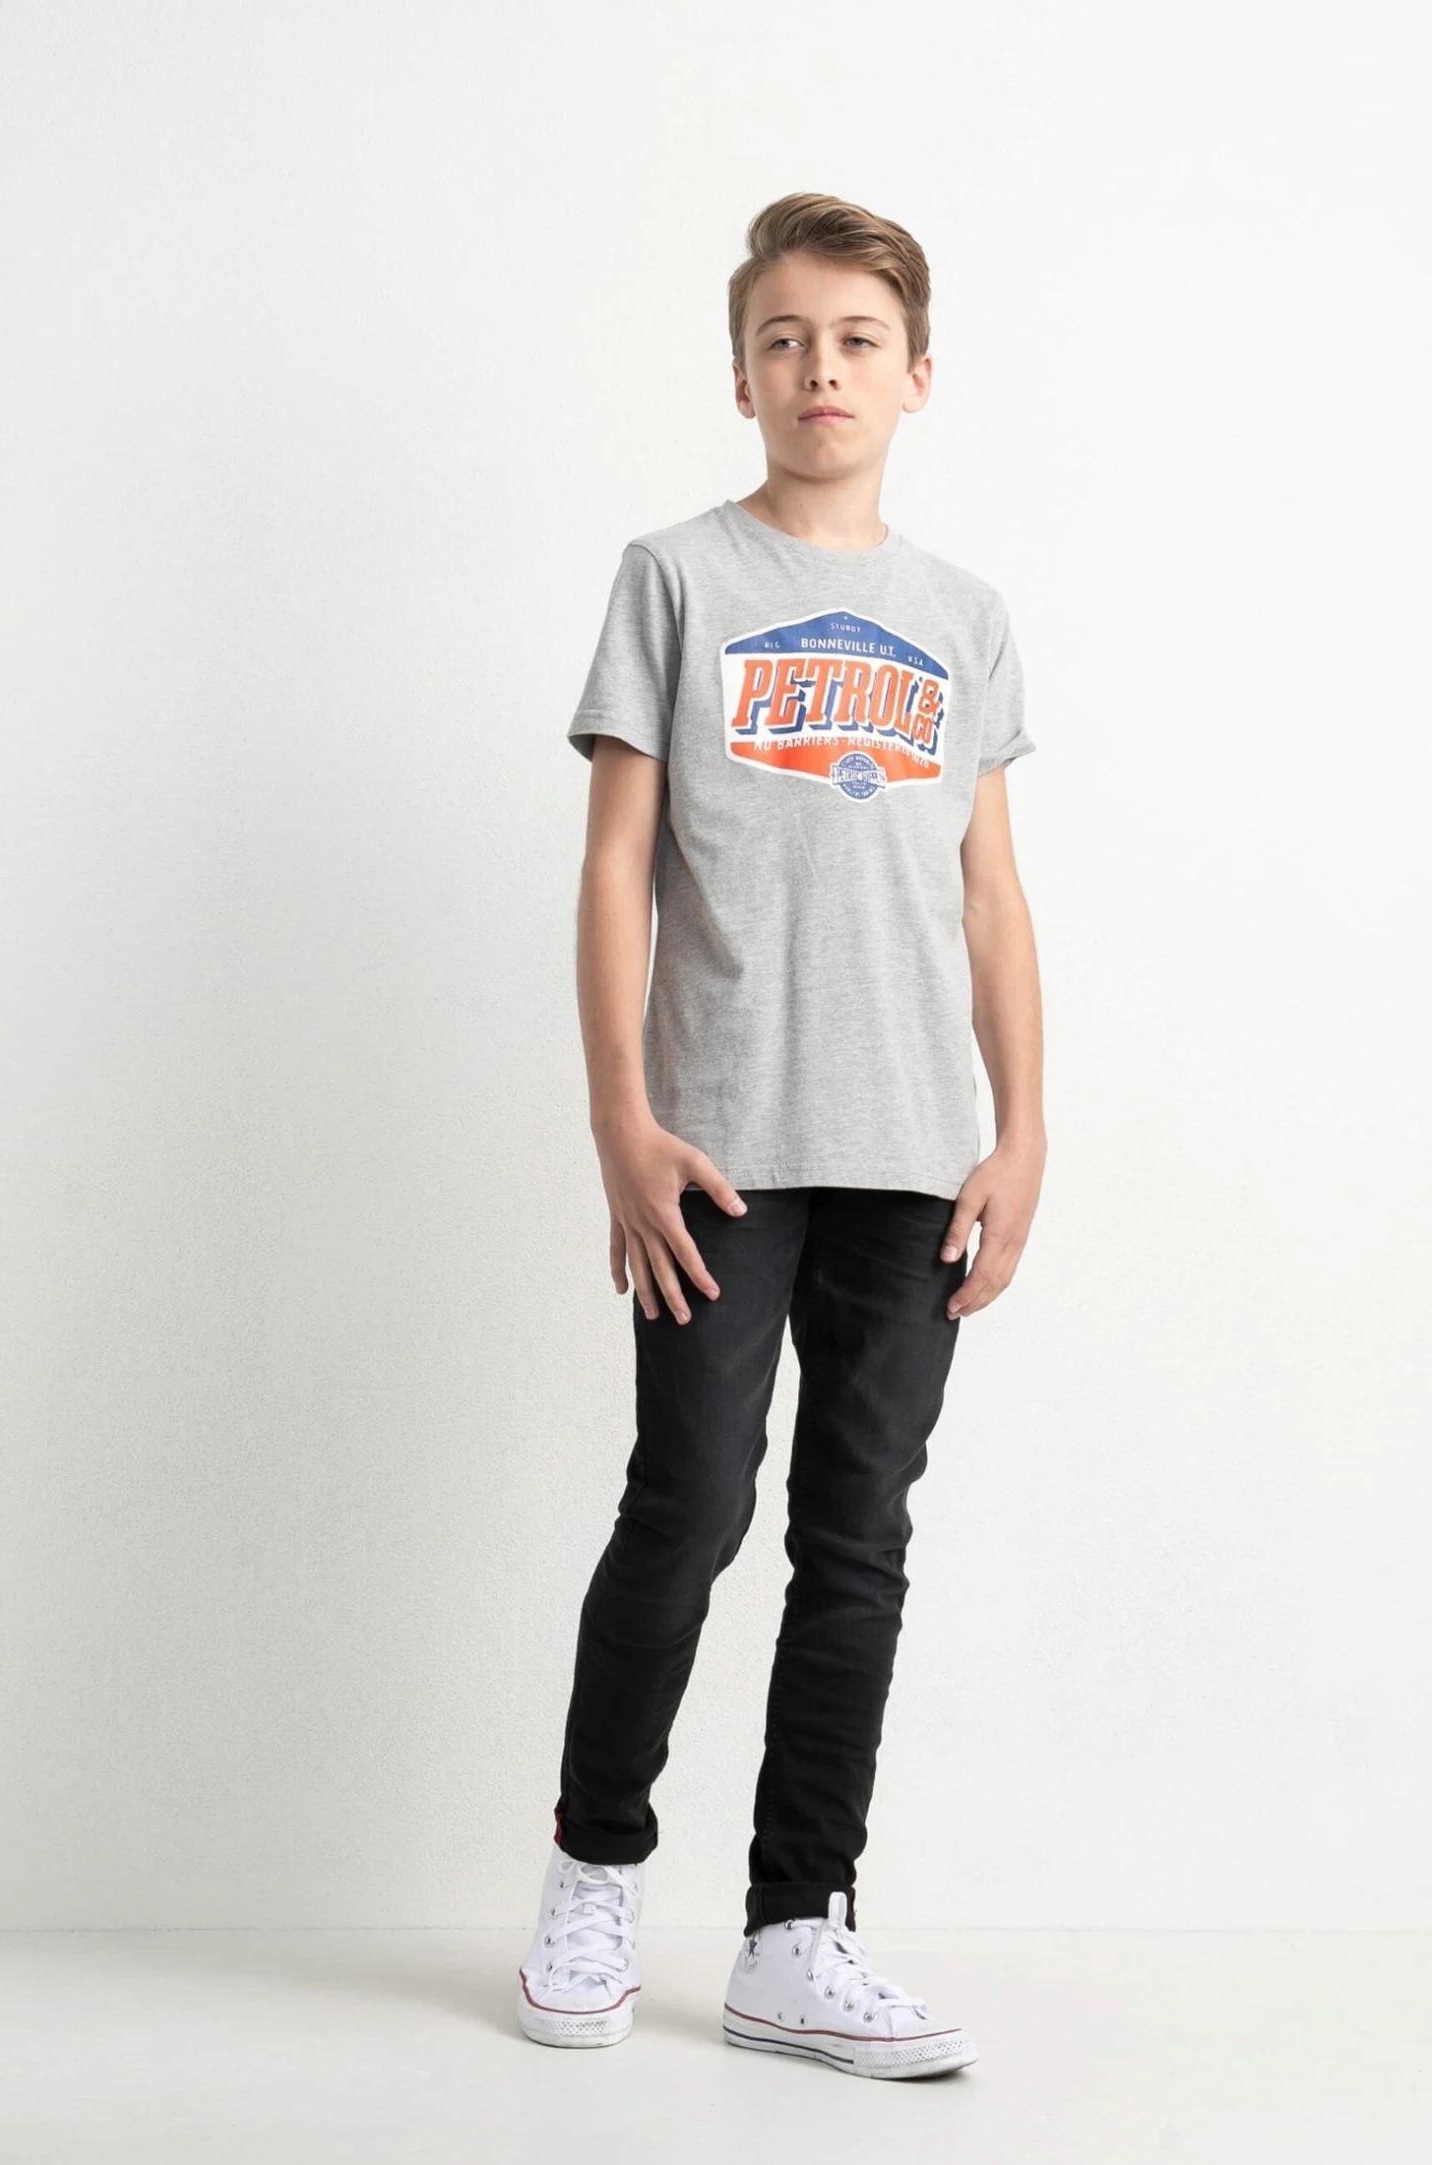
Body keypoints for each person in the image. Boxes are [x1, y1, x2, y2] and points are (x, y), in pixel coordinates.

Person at [517, 191, 1045, 2081]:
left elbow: (990, 892)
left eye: (856, 340)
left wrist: (1024, 1132)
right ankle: (594, 1872)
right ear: (740, 374)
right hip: (718, 1149)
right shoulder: (673, 577)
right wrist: (621, 1121)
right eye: (785, 339)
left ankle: (796, 1930)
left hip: (914, 1157)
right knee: (689, 1509)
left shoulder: (966, 618)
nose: (821, 368)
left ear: (918, 377)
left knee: (858, 1541)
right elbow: (616, 865)